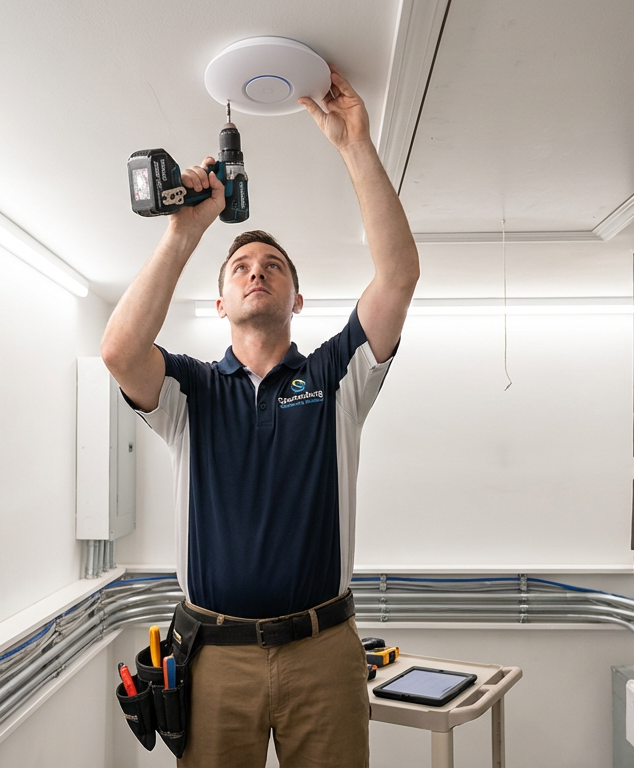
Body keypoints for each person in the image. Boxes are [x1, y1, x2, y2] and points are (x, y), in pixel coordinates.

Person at [101, 64, 420, 768]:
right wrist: (186, 232)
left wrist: (354, 144)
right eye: (241, 265)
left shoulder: (336, 376)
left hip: (323, 653)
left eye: (273, 265)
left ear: (297, 300)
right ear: (220, 302)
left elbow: (397, 276)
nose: (256, 270)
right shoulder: (191, 392)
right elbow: (120, 351)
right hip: (214, 658)